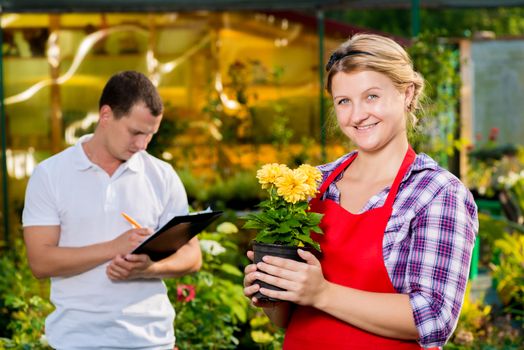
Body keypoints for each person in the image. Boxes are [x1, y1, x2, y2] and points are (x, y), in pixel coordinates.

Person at [243, 33, 478, 349]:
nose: (357, 116)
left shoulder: (435, 193)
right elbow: (288, 318)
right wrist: (274, 291)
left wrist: (322, 292)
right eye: (344, 101)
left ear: (406, 93)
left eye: (371, 97)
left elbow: (434, 317)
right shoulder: (313, 184)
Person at [22, 70, 202, 349]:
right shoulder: (50, 174)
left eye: (150, 135)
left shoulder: (162, 176)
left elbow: (192, 255)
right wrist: (115, 247)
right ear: (106, 115)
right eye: (135, 132)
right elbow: (40, 262)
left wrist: (149, 268)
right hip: (76, 341)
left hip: (151, 341)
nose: (142, 145)